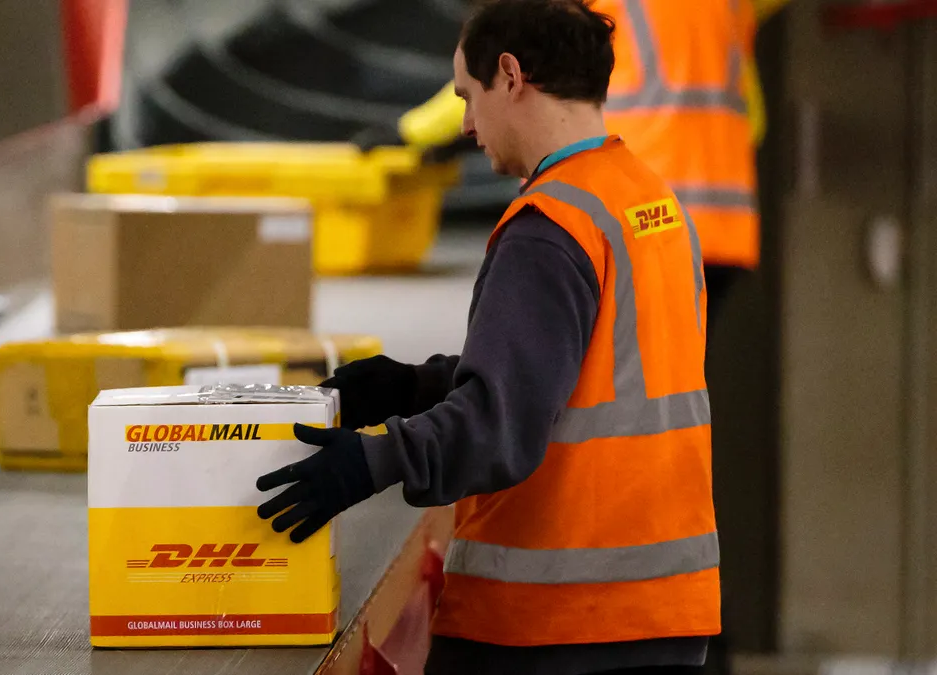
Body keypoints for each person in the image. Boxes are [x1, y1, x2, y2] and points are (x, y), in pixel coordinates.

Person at [256, 1, 719, 673]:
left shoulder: (550, 227)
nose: (468, 124)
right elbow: (587, 377)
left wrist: (373, 460)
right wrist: (417, 386)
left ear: (510, 75)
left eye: (467, 97)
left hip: (553, 622)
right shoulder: (647, 202)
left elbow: (501, 426)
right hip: (660, 607)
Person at [354, 0, 793, 336]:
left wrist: (413, 132)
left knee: (606, 393)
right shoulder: (729, 8)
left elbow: (501, 80)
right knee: (670, 392)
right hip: (719, 231)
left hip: (630, 229)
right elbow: (753, 121)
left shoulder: (597, 13)